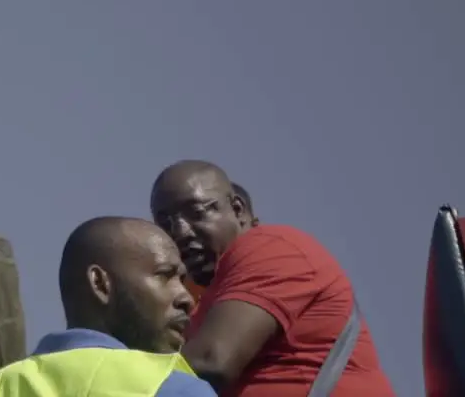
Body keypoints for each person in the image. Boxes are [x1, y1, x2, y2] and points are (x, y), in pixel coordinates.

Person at [150, 160, 395, 396]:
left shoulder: (269, 246)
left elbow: (211, 361)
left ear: (238, 210)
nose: (180, 232)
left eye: (196, 212)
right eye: (166, 224)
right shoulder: (197, 299)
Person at [0, 216, 214, 396]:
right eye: (164, 275)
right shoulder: (170, 386)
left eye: (182, 280)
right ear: (100, 284)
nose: (186, 298)